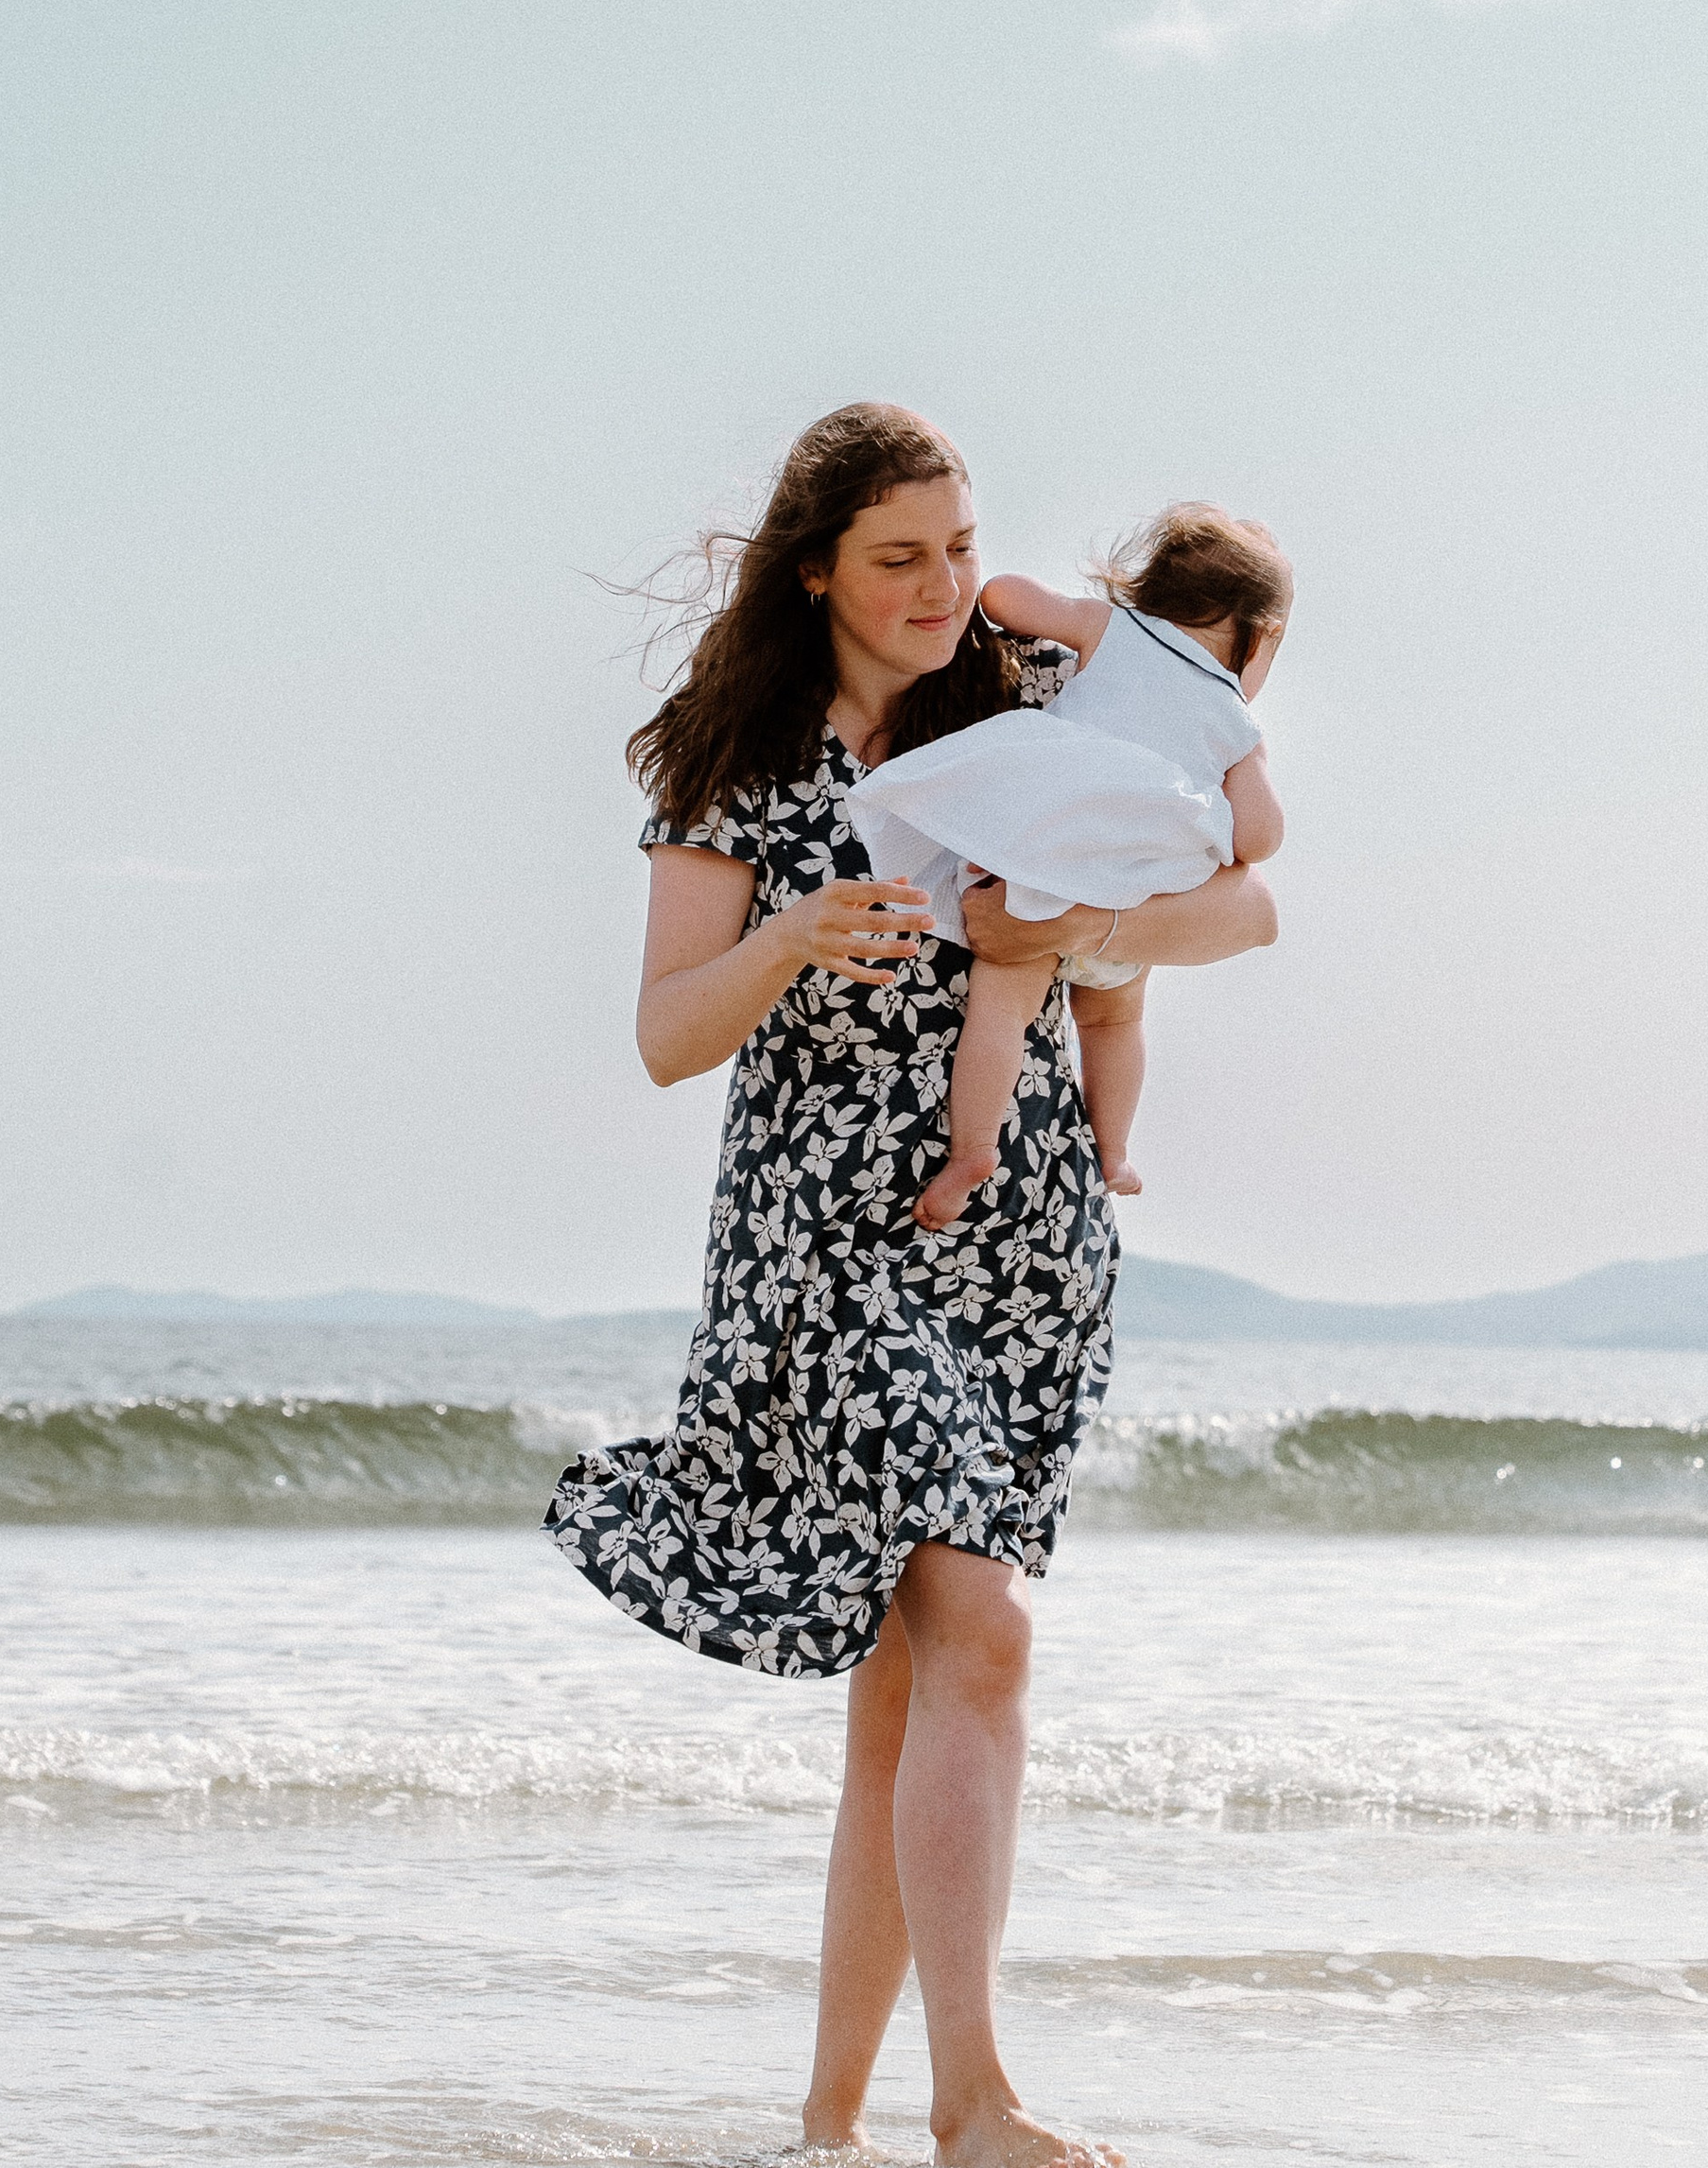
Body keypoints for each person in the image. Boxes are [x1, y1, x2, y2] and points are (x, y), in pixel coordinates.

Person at [543, 404, 1278, 2168]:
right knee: (982, 1626)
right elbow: (663, 1039)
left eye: (962, 547)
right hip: (822, 1246)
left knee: (922, 1666)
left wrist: (1078, 937)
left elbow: (1242, 903)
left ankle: (831, 2125)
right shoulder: (732, 760)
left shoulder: (1029, 695)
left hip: (1018, 1243)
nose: (948, 586)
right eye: (902, 558)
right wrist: (792, 936)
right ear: (818, 573)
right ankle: (978, 2104)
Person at [846, 505, 1291, 1228]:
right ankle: (1113, 1149)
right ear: (1261, 636)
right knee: (1115, 1021)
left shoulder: (1117, 629)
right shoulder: (1235, 718)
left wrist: (1051, 610)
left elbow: (1004, 599)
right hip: (1134, 893)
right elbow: (1260, 839)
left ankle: (971, 1151)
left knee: (1001, 1008)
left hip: (1044, 869)